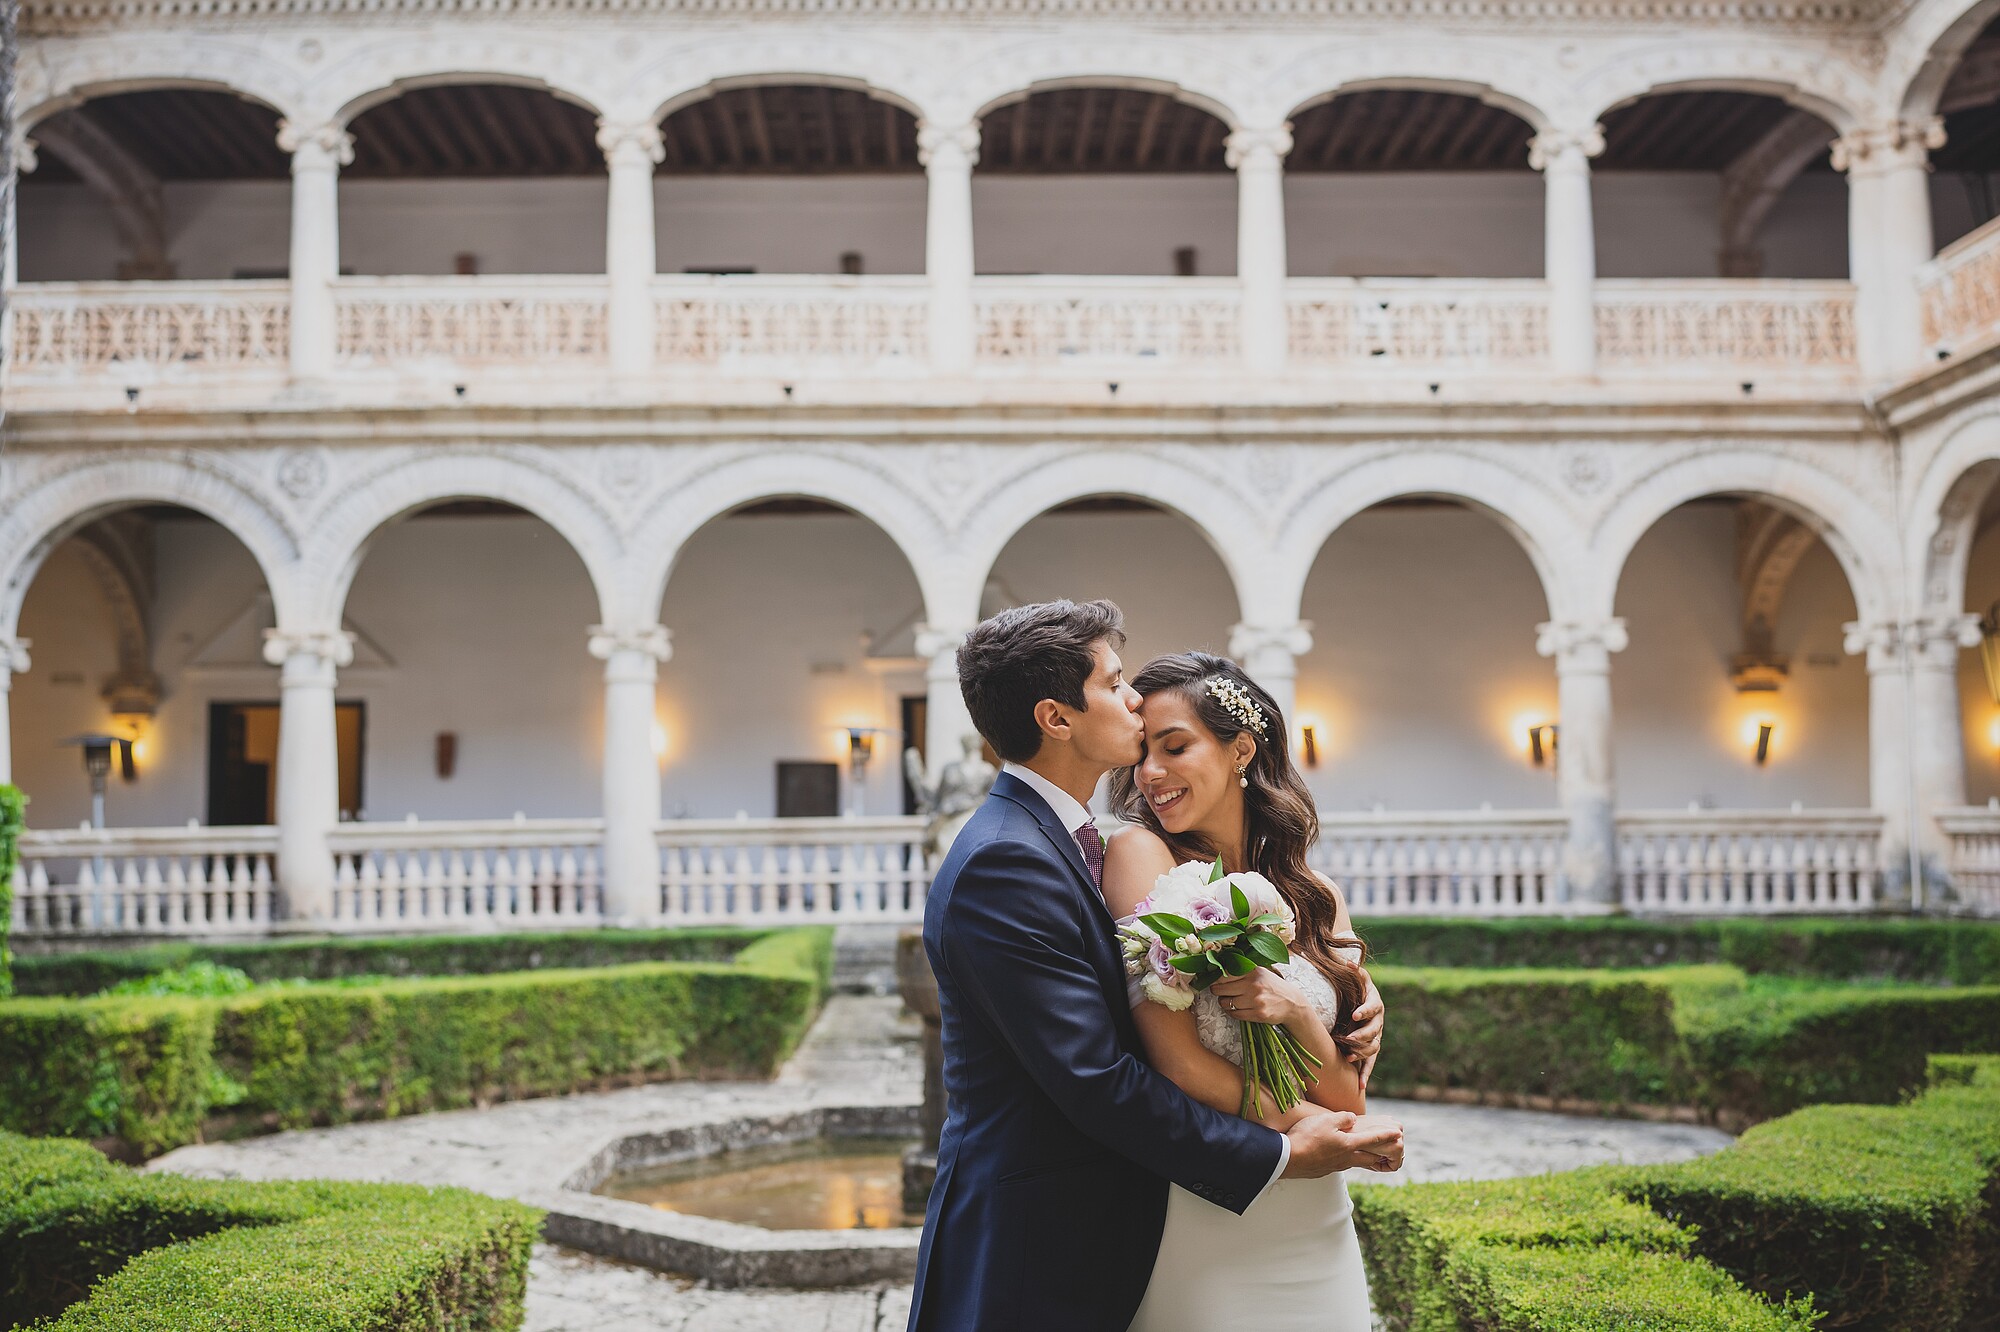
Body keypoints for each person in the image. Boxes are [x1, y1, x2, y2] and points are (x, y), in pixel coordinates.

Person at [908, 600, 1399, 1332]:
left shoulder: (1061, 842)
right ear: (1056, 717)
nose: (1132, 700)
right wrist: (1285, 1148)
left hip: (1203, 1208)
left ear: (1242, 751)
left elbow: (1346, 1090)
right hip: (1040, 1239)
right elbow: (1100, 1078)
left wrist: (1310, 1006)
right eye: (1113, 683)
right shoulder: (1011, 859)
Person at [1104, 651, 1385, 1332]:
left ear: (1241, 750)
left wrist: (1297, 1011)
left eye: (1175, 747)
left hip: (1318, 1213)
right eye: (1142, 754)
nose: (1150, 773)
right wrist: (1307, 1131)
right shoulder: (1141, 856)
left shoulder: (1318, 897)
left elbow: (1349, 1097)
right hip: (1215, 1203)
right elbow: (1177, 1065)